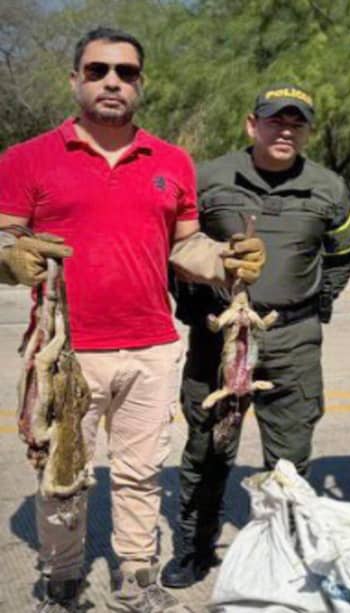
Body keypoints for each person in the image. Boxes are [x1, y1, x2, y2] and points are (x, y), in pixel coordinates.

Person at [0, 28, 266, 613]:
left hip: (151, 347)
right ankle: (62, 579)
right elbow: (5, 236)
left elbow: (185, 246)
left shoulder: (171, 162)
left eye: (125, 72)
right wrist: (8, 254)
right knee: (61, 478)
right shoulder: (25, 159)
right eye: (97, 71)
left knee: (140, 475)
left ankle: (136, 576)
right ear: (75, 80)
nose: (112, 81)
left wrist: (224, 260)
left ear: (140, 84)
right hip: (65, 351)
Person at [162, 84, 350, 589]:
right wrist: (190, 302)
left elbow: (343, 253)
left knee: (290, 458)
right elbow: (172, 244)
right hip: (218, 335)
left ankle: (285, 553)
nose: (286, 130)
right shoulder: (207, 177)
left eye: (297, 123)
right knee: (207, 448)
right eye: (276, 120)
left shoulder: (328, 187)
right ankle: (195, 546)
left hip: (292, 339)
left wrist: (316, 302)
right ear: (253, 124)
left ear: (307, 131)